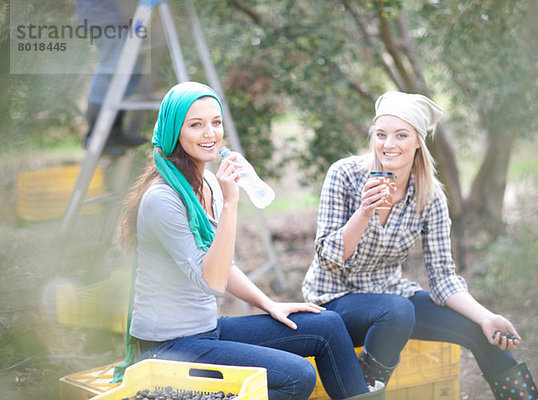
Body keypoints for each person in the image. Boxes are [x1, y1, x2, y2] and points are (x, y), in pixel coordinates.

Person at [120, 82, 382, 400]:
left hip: (206, 330)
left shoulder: (209, 185)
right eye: (196, 125)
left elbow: (223, 266)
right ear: (176, 131)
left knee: (326, 325)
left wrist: (270, 305)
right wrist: (231, 204)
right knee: (297, 376)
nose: (210, 134)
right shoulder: (161, 199)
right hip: (168, 348)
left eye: (216, 123)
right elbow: (212, 281)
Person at [302, 91, 538, 399]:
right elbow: (327, 259)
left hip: (390, 299)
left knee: (479, 330)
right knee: (397, 310)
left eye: (401, 135)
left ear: (418, 141)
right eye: (381, 134)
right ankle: (365, 390)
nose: (389, 144)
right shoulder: (344, 176)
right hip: (335, 302)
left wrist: (484, 316)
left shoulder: (430, 196)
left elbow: (443, 278)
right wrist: (363, 213)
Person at [75, 0, 147, 155]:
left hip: (114, 14)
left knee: (132, 69)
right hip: (104, 15)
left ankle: (114, 131)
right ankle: (95, 134)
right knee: (111, 67)